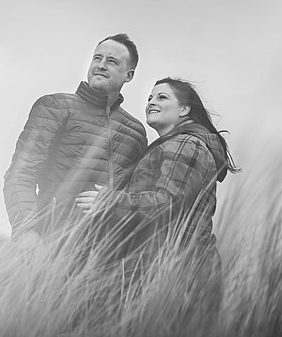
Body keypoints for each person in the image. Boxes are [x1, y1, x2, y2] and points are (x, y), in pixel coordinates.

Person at [78, 77, 239, 299]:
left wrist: (109, 201)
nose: (152, 102)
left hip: (180, 273)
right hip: (174, 269)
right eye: (150, 98)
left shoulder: (186, 144)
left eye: (162, 97)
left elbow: (170, 203)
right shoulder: (173, 145)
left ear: (184, 109)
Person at [3, 34, 148, 255]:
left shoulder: (136, 133)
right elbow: (21, 173)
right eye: (97, 58)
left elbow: (133, 196)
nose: (100, 65)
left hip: (108, 255)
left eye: (112, 61)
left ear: (129, 75)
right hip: (50, 243)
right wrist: (26, 231)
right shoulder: (55, 106)